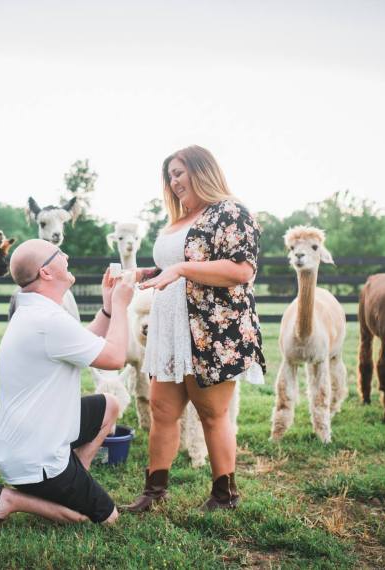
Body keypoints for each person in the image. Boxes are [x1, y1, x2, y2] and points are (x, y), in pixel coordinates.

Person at [123, 145, 266, 512]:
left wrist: (182, 270)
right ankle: (154, 493)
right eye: (169, 176)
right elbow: (176, 265)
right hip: (169, 324)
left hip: (211, 329)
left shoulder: (230, 212)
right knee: (161, 409)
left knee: (210, 412)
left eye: (179, 172)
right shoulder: (180, 217)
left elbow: (240, 270)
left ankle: (225, 494)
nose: (173, 182)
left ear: (202, 170)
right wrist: (145, 274)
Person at [0, 238, 135, 534]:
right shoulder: (47, 320)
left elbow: (83, 341)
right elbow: (113, 357)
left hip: (26, 440)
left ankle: (76, 475)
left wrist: (107, 309)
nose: (66, 253)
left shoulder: (39, 314)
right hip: (35, 458)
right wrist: (122, 305)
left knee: (109, 405)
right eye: (57, 253)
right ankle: (7, 499)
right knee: (101, 519)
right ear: (46, 272)